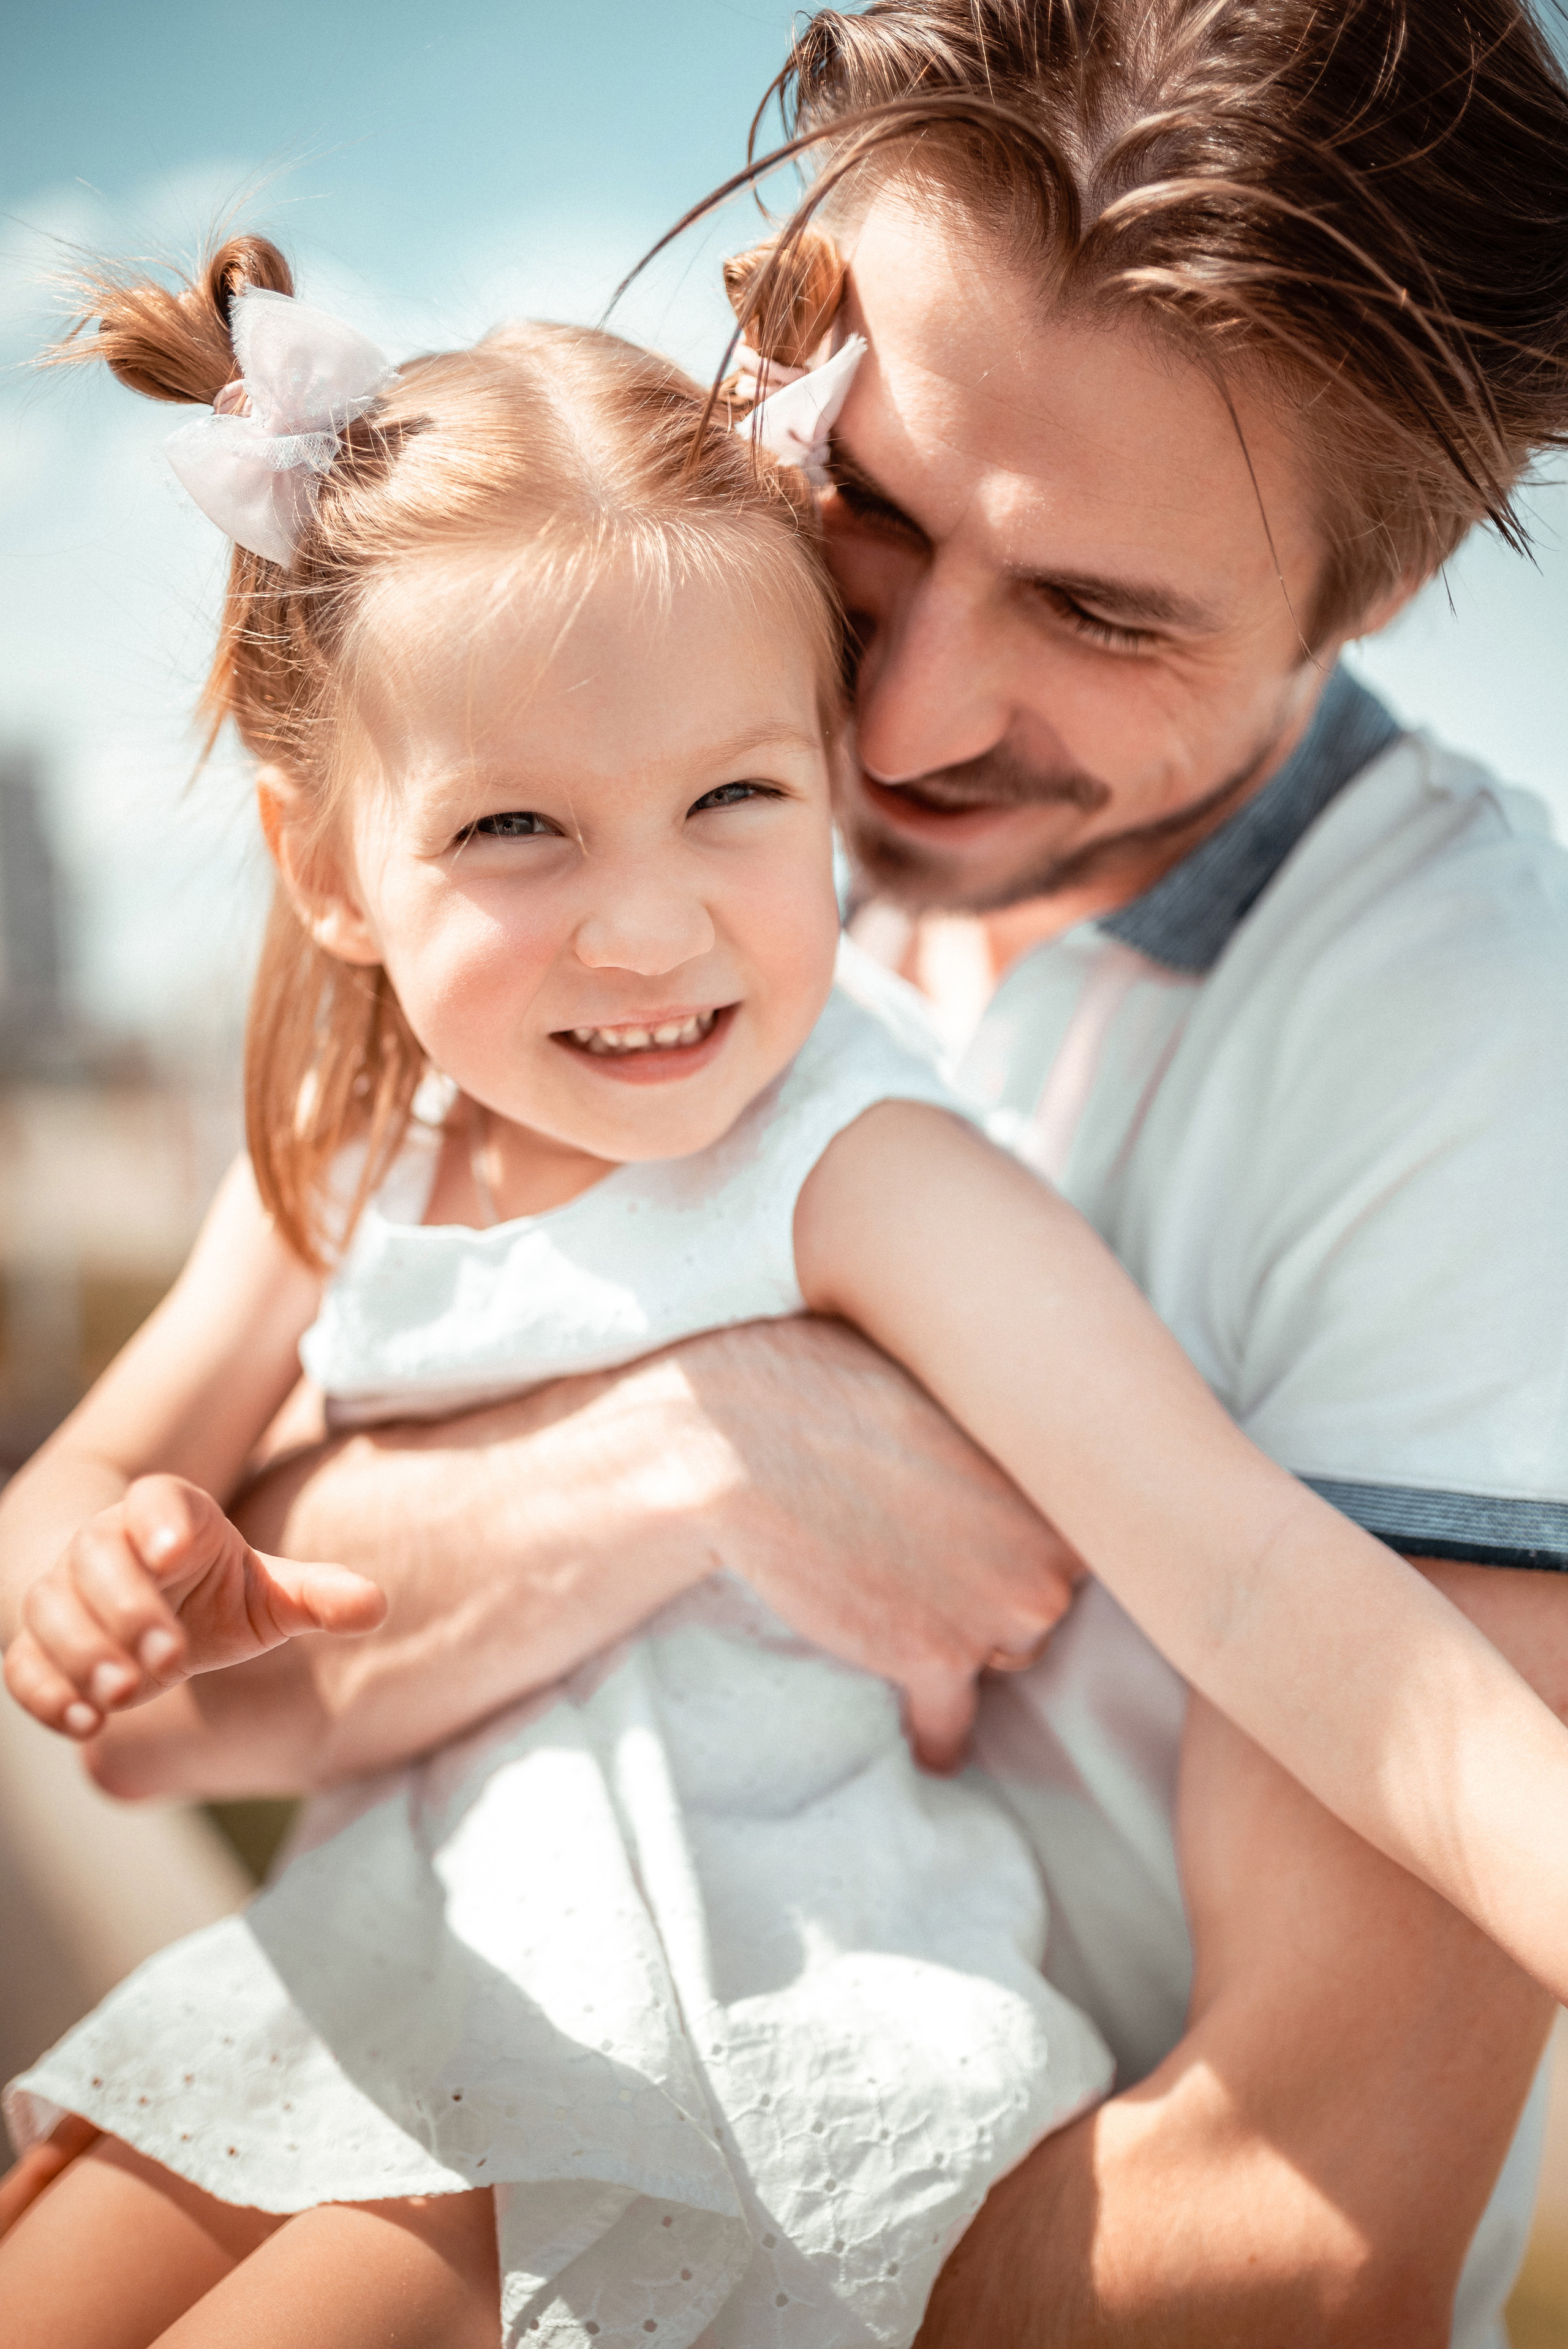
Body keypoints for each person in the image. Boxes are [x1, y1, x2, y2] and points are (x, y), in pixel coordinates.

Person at [9, 0, 1568, 2339]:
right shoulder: (632, 745)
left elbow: (1304, 2199)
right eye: (877, 515)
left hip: (750, 2109)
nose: (896, 731)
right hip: (385, 1957)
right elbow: (142, 1711)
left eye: (1099, 613)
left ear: (1376, 596)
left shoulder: (1461, 1048)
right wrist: (687, 1457)